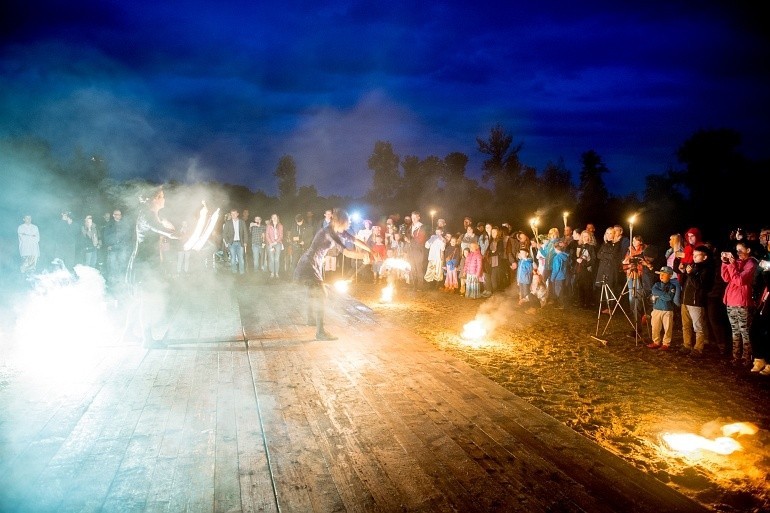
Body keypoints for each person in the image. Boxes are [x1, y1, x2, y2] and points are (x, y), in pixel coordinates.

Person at [293, 209, 371, 341]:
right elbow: (346, 252)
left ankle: (310, 319)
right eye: (346, 222)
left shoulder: (338, 231)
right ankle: (320, 332)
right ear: (340, 222)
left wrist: (371, 251)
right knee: (321, 293)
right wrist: (363, 255)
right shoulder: (329, 232)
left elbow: (355, 240)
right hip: (308, 264)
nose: (348, 224)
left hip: (313, 263)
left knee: (313, 292)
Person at [126, 186, 177, 347]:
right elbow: (166, 232)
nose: (164, 198)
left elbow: (164, 232)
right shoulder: (147, 215)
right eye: (161, 196)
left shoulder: (153, 215)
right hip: (143, 265)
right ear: (153, 199)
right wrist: (188, 235)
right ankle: (147, 340)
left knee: (138, 301)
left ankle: (127, 334)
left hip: (147, 263)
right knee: (146, 300)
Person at [721, 241, 758, 367]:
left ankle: (747, 357)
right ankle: (736, 356)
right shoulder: (738, 262)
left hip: (742, 301)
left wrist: (732, 265)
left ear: (748, 250)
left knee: (744, 331)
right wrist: (725, 263)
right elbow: (726, 278)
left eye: (740, 250)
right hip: (731, 300)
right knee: (735, 330)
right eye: (736, 251)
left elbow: (739, 280)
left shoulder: (751, 264)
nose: (738, 253)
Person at [679, 245, 712, 357]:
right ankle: (686, 345)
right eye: (694, 255)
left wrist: (691, 274)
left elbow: (699, 285)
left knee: (698, 326)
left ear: (705, 257)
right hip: (685, 299)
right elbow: (686, 282)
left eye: (697, 255)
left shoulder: (706, 269)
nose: (694, 257)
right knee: (686, 325)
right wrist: (683, 272)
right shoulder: (693, 266)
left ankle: (698, 348)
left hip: (696, 301)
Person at [647, 266, 681, 350]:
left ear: (669, 276)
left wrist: (659, 295)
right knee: (655, 327)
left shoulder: (672, 286)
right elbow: (654, 291)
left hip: (667, 310)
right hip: (656, 309)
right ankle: (656, 341)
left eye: (664, 274)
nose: (661, 276)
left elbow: (669, 297)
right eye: (660, 274)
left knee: (668, 328)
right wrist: (663, 294)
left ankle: (666, 343)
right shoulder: (656, 284)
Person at [103, 209, 133, 289]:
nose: (119, 216)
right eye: (117, 214)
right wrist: (109, 245)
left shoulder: (124, 224)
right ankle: (112, 282)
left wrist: (124, 244)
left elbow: (127, 235)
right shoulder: (109, 224)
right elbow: (106, 235)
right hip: (112, 248)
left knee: (122, 263)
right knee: (112, 265)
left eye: (120, 214)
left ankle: (121, 281)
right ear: (113, 215)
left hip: (122, 248)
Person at [222, 208, 247, 275]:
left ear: (237, 214)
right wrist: (227, 242)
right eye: (232, 214)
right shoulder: (228, 222)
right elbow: (224, 233)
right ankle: (234, 271)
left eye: (234, 213)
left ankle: (242, 272)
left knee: (241, 258)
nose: (233, 215)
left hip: (240, 243)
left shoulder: (242, 222)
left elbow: (245, 232)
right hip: (232, 243)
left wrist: (245, 242)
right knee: (233, 258)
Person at [266, 213, 283, 279]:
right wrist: (271, 243)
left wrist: (276, 242)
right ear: (271, 218)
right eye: (273, 217)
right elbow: (267, 235)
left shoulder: (280, 225)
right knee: (272, 259)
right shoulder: (269, 226)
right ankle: (272, 273)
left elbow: (281, 235)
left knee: (276, 259)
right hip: (270, 244)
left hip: (278, 243)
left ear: (277, 218)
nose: (274, 218)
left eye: (275, 217)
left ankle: (277, 273)